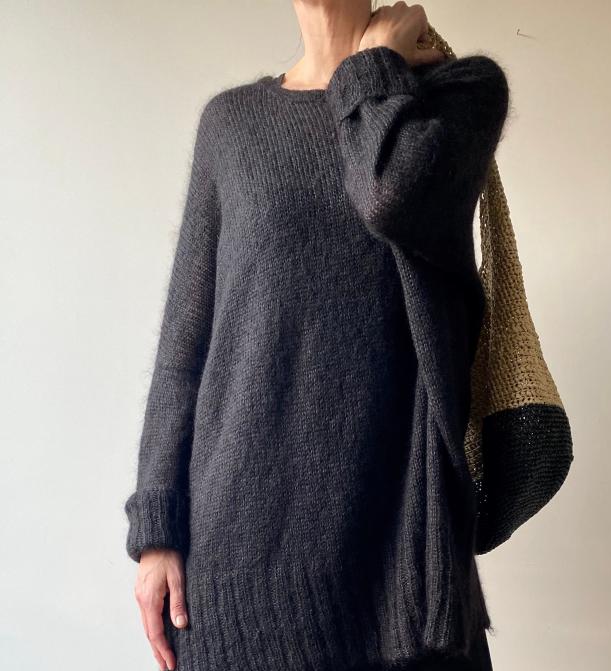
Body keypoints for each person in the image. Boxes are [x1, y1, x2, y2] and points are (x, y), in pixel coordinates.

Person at [123, 1, 510, 670]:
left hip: (402, 568)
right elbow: (187, 343)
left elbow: (391, 194)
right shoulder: (231, 123)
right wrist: (156, 528)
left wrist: (371, 67)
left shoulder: (458, 94)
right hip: (239, 560)